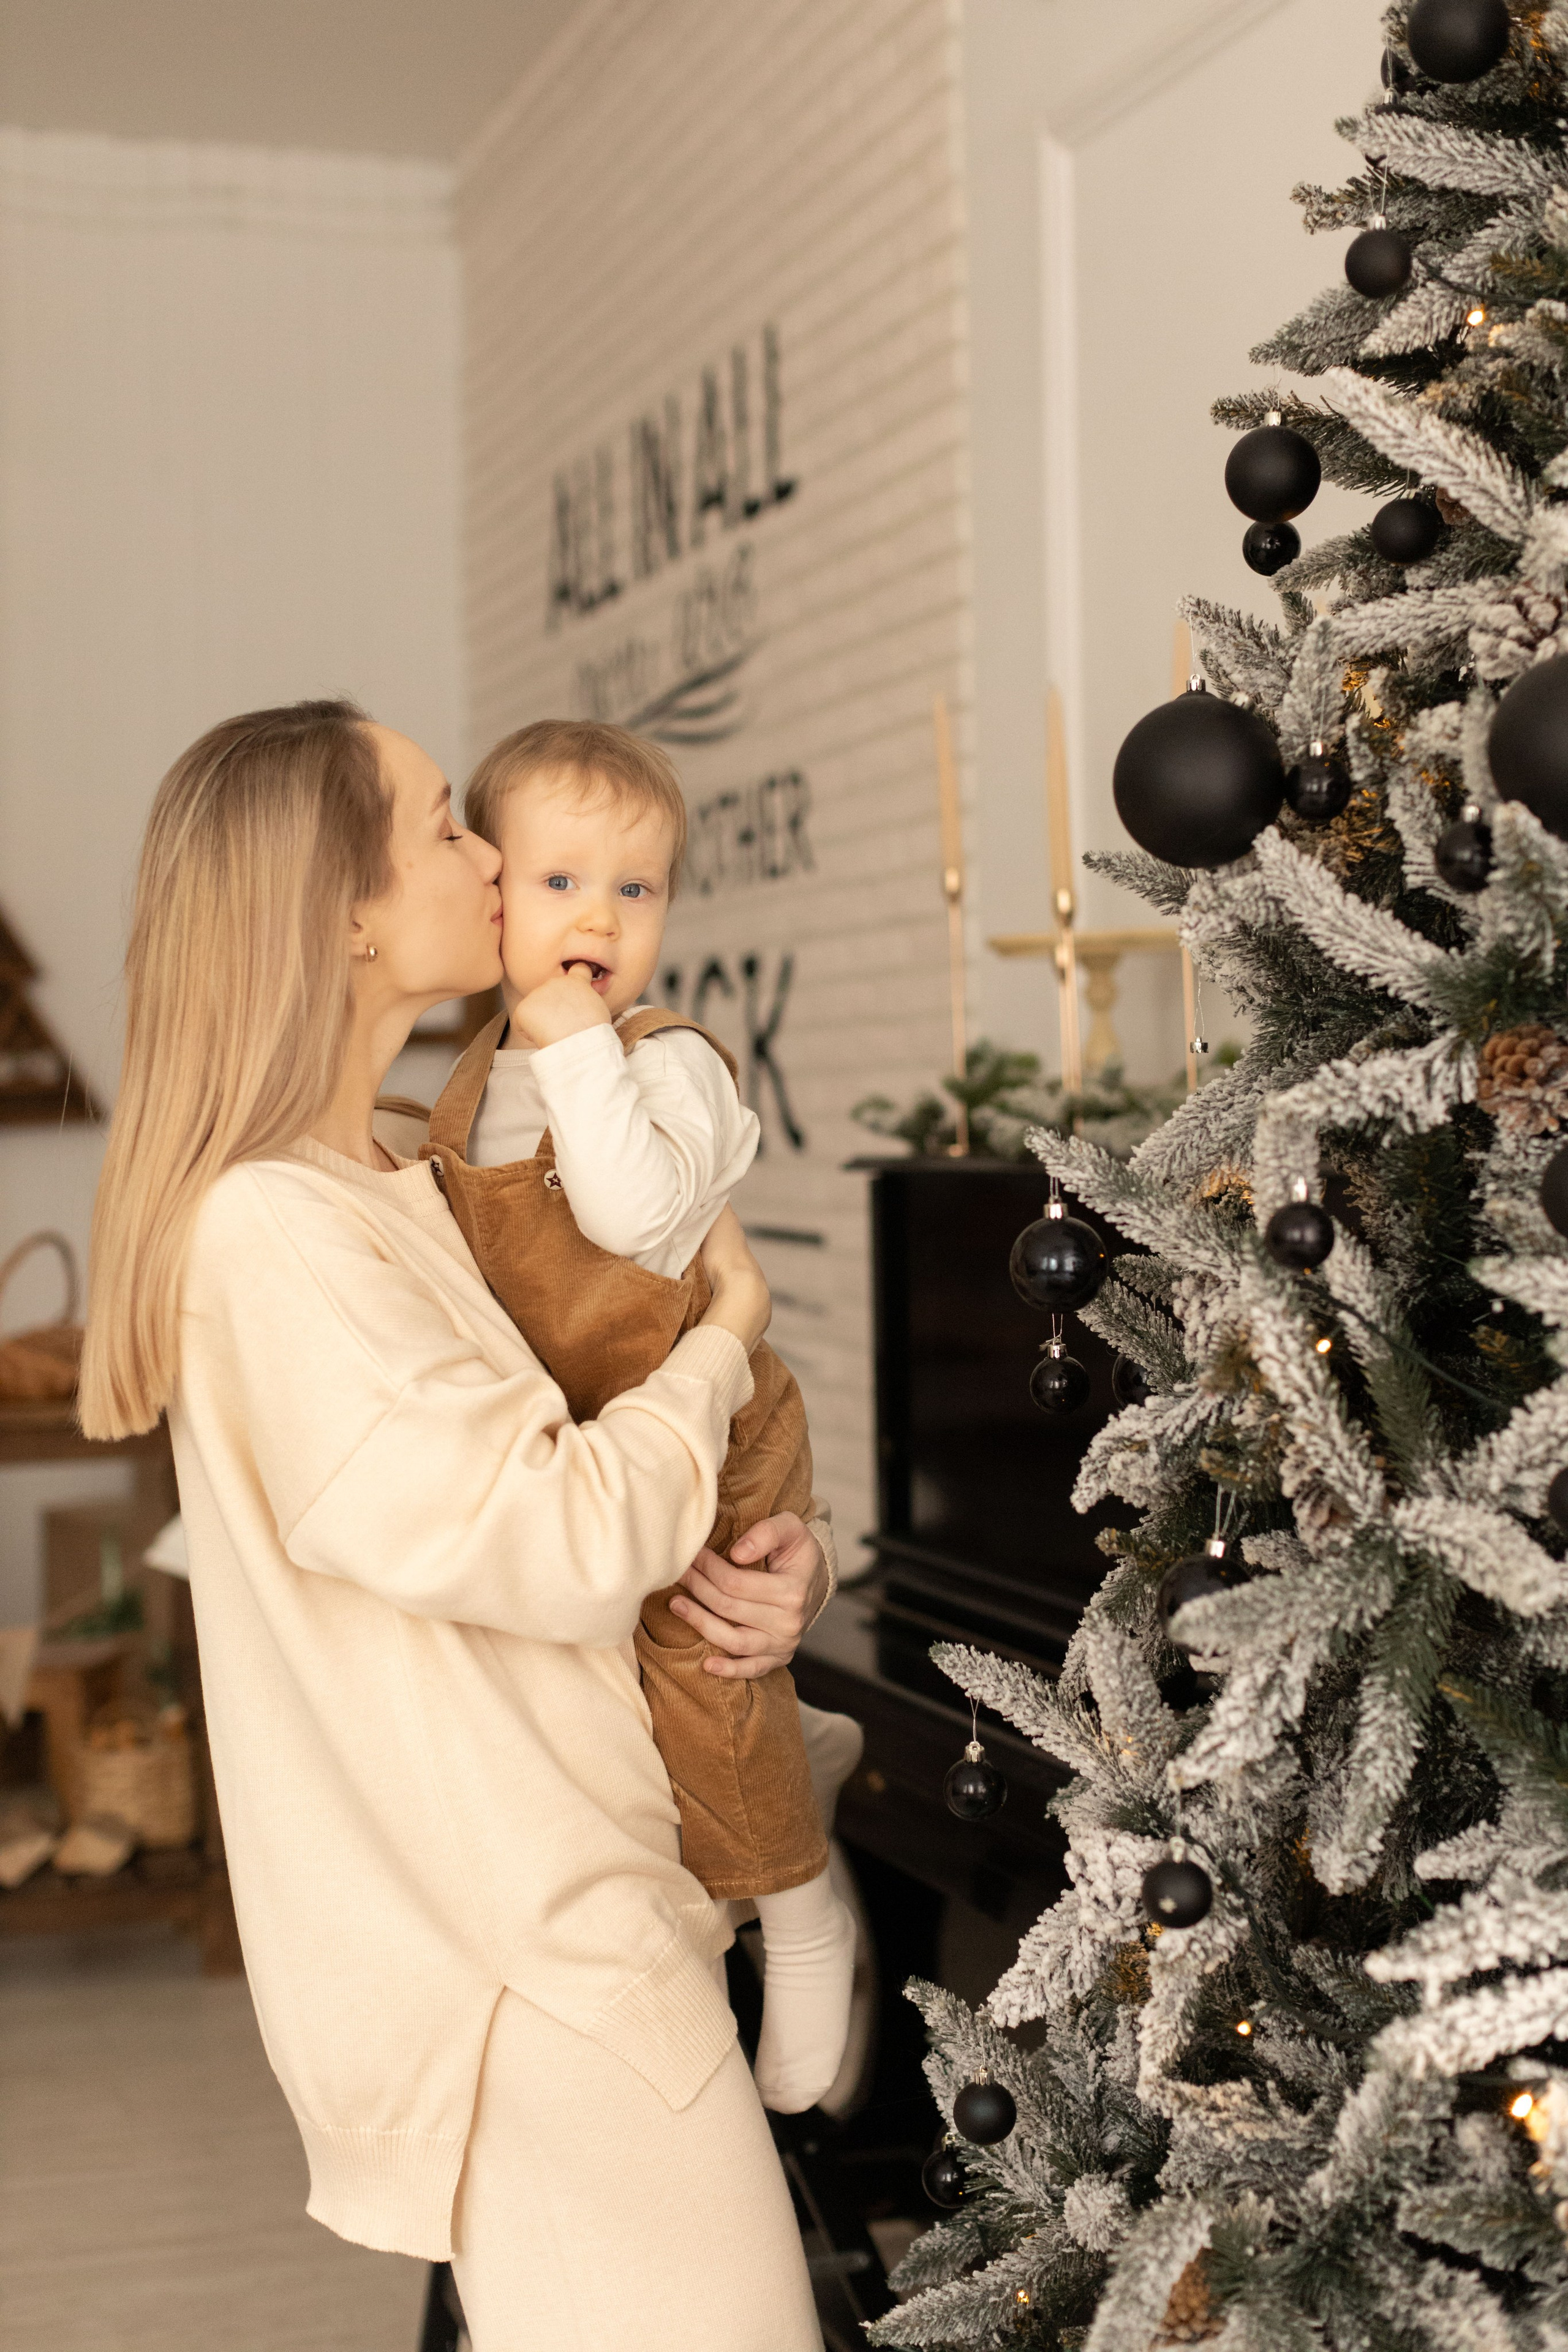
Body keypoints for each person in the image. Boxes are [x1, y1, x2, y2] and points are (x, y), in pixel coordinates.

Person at [79, 700, 830, 2352]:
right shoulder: (275, 1235)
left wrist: (777, 1566)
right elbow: (565, 1537)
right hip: (536, 1974)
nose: (495, 859)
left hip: (586, 1926)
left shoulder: (399, 1183)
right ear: (344, 908)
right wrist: (723, 1340)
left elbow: (580, 1480)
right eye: (442, 823)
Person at [420, 718, 858, 2117]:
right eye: (558, 884)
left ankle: (800, 1914)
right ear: (492, 901)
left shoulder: (664, 1066)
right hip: (588, 1437)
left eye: (636, 889)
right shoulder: (476, 1081)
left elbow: (628, 1213)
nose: (597, 918)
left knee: (705, 1653)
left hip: (709, 1422)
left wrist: (574, 1047)